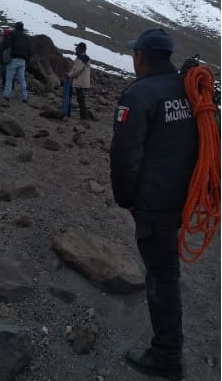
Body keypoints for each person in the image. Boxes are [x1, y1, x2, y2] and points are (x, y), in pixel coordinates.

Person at [110, 27, 198, 380]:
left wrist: (125, 198)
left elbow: (124, 154)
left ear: (142, 57)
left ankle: (166, 357)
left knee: (162, 278)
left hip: (154, 206)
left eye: (135, 54)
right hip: (182, 198)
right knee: (166, 271)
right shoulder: (188, 90)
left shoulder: (140, 94)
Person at [2, 21, 31, 102]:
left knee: (9, 78)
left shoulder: (12, 34)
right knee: (22, 79)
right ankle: (24, 97)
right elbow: (29, 50)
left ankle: (6, 95)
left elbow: (5, 45)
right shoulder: (26, 37)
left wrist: (5, 36)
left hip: (13, 59)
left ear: (15, 27)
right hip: (23, 61)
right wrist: (27, 60)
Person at [67, 42, 92, 119]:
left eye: (77, 47)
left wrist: (69, 75)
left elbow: (77, 70)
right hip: (83, 82)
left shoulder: (81, 58)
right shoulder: (84, 57)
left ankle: (84, 117)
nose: (76, 49)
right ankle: (84, 116)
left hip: (80, 82)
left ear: (81, 49)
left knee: (81, 99)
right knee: (81, 99)